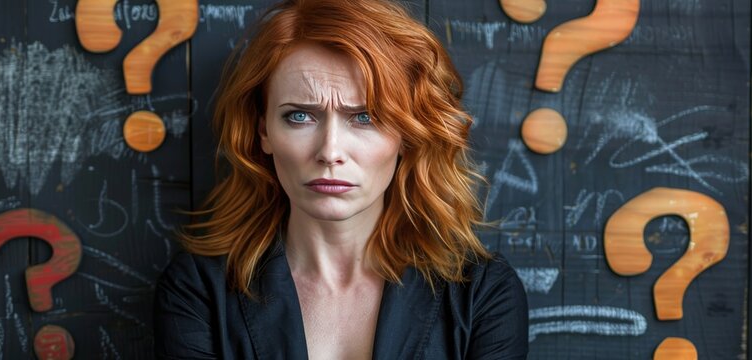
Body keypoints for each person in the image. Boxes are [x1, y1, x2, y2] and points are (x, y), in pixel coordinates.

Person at [154, 0, 528, 358]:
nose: (330, 151)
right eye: (300, 116)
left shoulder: (482, 295)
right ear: (262, 131)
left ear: (406, 136)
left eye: (365, 117)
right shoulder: (199, 290)